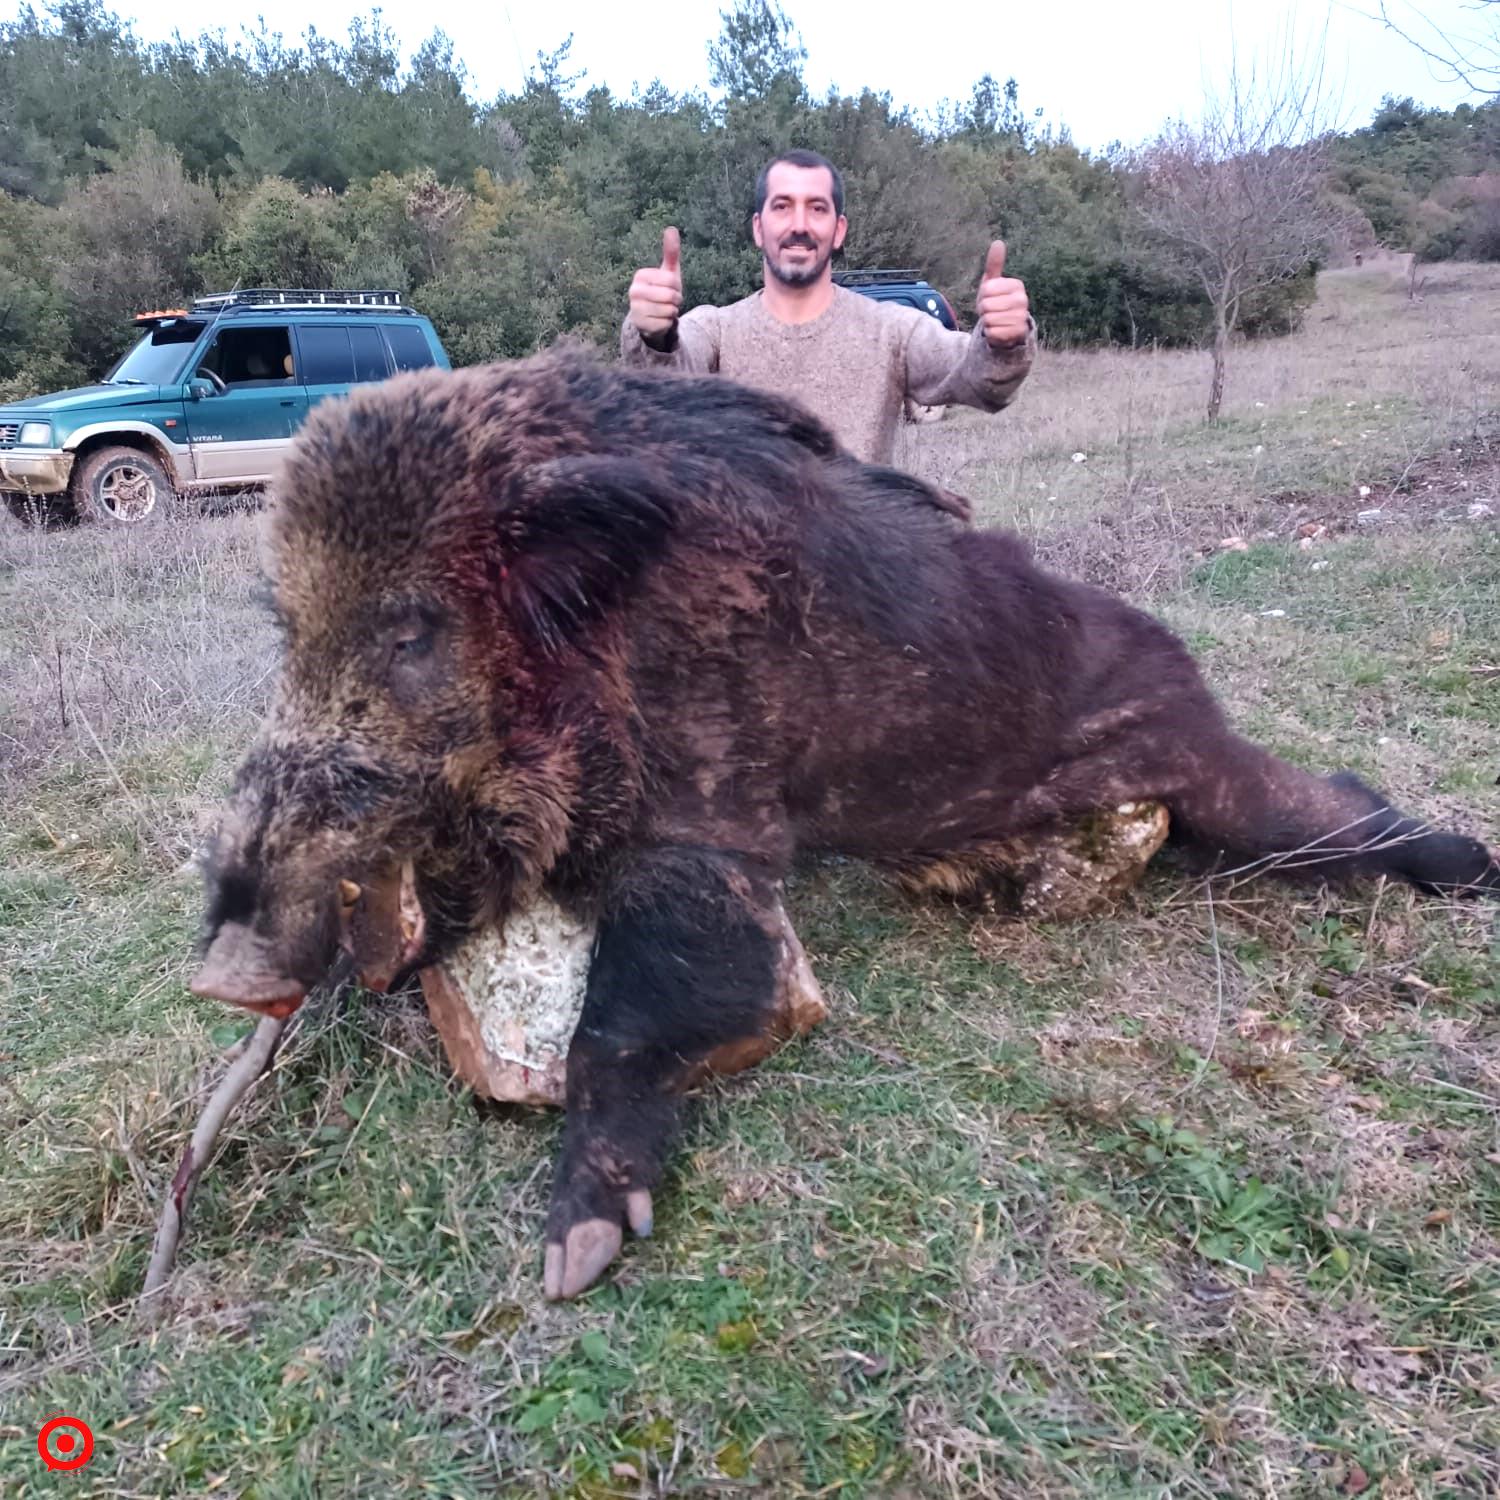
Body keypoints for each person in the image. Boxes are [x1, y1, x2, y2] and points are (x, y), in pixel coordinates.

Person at [620, 148, 1036, 471]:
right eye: (782, 206)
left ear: (838, 230)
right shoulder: (716, 330)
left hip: (857, 573)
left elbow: (980, 381)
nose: (799, 225)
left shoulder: (891, 331)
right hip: (739, 575)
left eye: (817, 208)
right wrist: (654, 332)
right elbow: (664, 380)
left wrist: (1004, 340)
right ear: (757, 228)